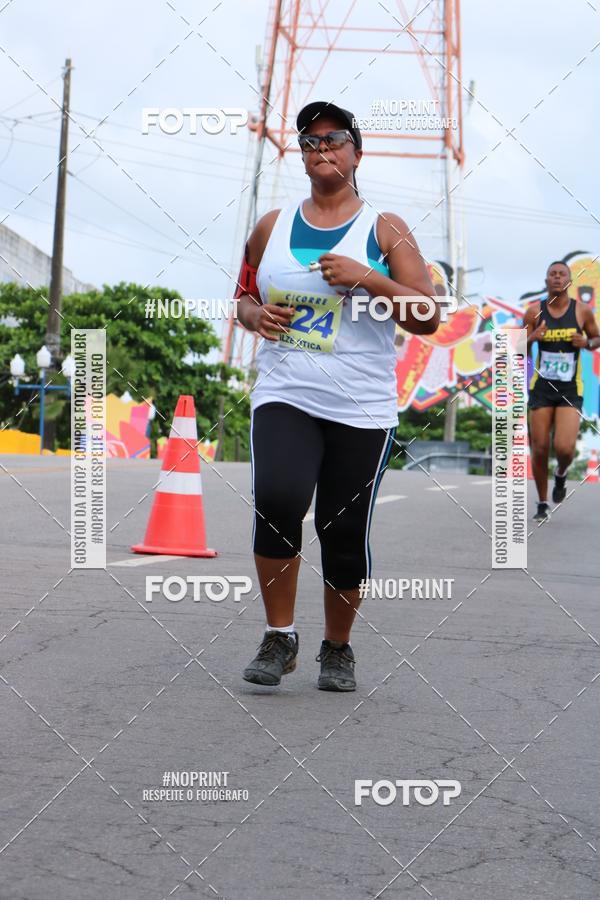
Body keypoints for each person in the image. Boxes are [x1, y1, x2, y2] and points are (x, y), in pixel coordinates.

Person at [234, 101, 438, 691]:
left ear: (357, 151)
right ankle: (279, 637)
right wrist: (254, 315)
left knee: (341, 531)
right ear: (301, 157)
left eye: (335, 138)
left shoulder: (383, 229)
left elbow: (427, 317)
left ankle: (337, 647)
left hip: (362, 406)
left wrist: (366, 276)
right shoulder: (271, 225)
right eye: (309, 141)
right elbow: (242, 295)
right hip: (285, 391)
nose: (322, 147)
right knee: (277, 497)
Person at [525, 260, 600, 521]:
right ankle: (543, 503)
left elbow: (597, 337)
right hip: (542, 389)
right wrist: (531, 339)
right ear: (546, 281)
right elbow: (517, 350)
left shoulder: (582, 312)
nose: (557, 278)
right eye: (552, 274)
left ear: (569, 281)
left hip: (569, 388)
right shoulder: (534, 312)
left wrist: (587, 342)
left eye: (561, 275)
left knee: (564, 448)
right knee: (541, 447)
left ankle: (561, 475)